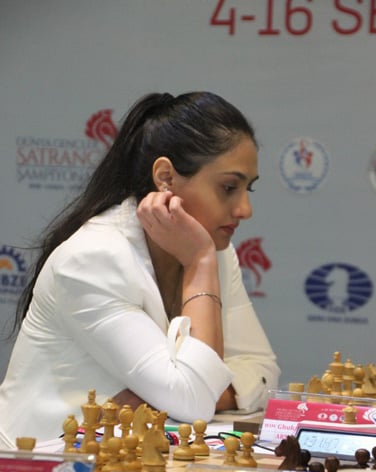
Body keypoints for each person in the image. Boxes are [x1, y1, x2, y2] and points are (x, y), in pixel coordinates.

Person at [0, 91, 280, 447]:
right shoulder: (93, 258)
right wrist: (199, 264)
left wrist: (170, 399)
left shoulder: (215, 250)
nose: (245, 209)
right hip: (41, 463)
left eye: (248, 189)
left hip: (135, 456)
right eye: (229, 187)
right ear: (165, 177)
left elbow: (262, 370)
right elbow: (194, 400)